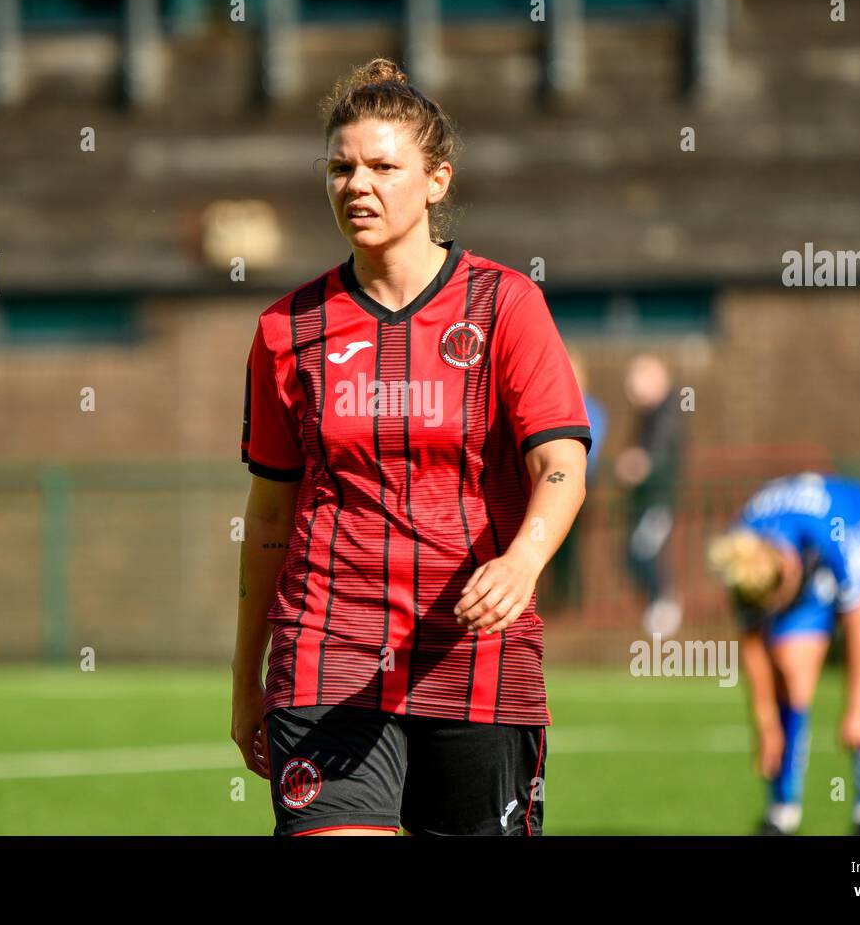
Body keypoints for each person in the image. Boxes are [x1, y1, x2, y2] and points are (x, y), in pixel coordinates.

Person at [232, 58, 591, 836]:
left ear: (436, 180)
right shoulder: (285, 331)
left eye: (382, 166)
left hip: (476, 659)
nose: (356, 184)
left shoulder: (506, 306)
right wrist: (244, 678)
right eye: (340, 167)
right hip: (327, 650)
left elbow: (561, 465)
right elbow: (268, 515)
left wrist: (523, 561)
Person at [707, 472, 860, 836]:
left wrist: (855, 706)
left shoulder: (829, 532)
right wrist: (766, 722)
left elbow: (857, 620)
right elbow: (753, 640)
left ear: (787, 572)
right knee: (790, 674)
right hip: (813, 566)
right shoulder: (743, 555)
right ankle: (782, 812)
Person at [614, 353, 682, 637]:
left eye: (637, 379)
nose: (632, 388)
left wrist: (641, 464)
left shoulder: (669, 409)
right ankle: (657, 605)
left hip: (658, 499)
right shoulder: (648, 413)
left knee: (642, 550)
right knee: (634, 553)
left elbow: (660, 451)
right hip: (647, 499)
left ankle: (664, 604)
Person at [547, 345, 606, 613]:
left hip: (579, 484)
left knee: (570, 545)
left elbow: (589, 447)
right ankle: (562, 598)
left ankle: (571, 600)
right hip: (555, 482)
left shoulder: (590, 407)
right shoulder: (553, 403)